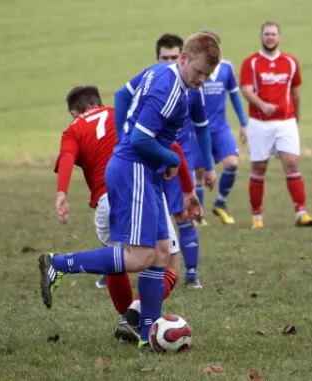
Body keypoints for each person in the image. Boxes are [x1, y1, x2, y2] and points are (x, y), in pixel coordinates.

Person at [39, 32, 222, 349]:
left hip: (143, 170)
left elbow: (122, 94)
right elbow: (140, 140)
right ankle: (58, 264)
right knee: (140, 256)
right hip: (134, 170)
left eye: (207, 75)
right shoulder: (169, 92)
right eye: (198, 72)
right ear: (183, 59)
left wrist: (126, 136)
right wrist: (168, 158)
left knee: (162, 253)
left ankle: (148, 334)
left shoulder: (160, 72)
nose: (201, 80)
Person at [53, 85, 194, 342]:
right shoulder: (123, 112)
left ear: (74, 112)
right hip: (139, 187)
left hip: (106, 201)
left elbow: (65, 158)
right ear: (99, 102)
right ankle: (134, 315)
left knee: (117, 261)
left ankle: (129, 321)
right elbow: (171, 144)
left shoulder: (73, 130)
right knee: (167, 261)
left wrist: (61, 192)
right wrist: (188, 189)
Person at [114, 33, 216, 290]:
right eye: (166, 57)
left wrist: (210, 166)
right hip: (149, 157)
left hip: (178, 159)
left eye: (173, 55)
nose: (170, 60)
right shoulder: (159, 79)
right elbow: (121, 96)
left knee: (184, 213)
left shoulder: (194, 89)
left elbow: (202, 128)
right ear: (162, 59)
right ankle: (116, 269)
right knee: (145, 225)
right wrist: (121, 140)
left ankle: (191, 274)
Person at [239, 21, 312, 229]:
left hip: (286, 123)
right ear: (261, 36)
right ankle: (257, 217)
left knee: (292, 163)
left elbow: (296, 92)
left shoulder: (290, 62)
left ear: (279, 37)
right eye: (266, 34)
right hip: (259, 123)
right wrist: (262, 105)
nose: (270, 37)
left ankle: (301, 213)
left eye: (273, 34)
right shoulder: (251, 62)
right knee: (258, 168)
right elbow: (246, 90)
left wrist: (296, 118)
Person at [192, 30, 247, 226]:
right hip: (198, 129)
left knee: (232, 163)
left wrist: (243, 123)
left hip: (221, 127)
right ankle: (198, 215)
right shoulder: (195, 70)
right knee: (199, 171)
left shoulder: (226, 68)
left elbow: (234, 96)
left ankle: (220, 204)